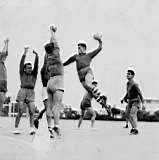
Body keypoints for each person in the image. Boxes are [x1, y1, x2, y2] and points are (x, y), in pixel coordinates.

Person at [63, 33, 106, 106]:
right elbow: (67, 62)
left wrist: (100, 41)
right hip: (81, 78)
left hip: (87, 72)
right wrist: (61, 65)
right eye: (78, 48)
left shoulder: (89, 55)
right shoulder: (76, 56)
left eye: (80, 47)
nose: (79, 49)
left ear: (84, 48)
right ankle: (103, 103)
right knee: (91, 92)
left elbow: (99, 48)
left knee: (88, 84)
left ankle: (100, 94)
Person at [13, 46, 39, 135]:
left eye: (30, 68)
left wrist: (36, 56)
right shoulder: (22, 73)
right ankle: (16, 128)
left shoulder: (34, 74)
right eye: (28, 68)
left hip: (31, 93)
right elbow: (21, 64)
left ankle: (31, 128)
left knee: (32, 110)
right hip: (22, 92)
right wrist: (25, 53)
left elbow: (36, 66)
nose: (30, 69)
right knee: (20, 110)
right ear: (24, 69)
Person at [44, 25, 64, 138]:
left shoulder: (48, 58)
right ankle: (56, 126)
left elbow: (52, 45)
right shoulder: (56, 54)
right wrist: (52, 32)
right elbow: (55, 42)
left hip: (50, 82)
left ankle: (49, 127)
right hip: (58, 81)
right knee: (57, 105)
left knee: (49, 106)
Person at [121, 69, 144, 135]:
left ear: (133, 75)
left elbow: (139, 93)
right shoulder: (128, 84)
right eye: (127, 74)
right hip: (130, 101)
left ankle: (135, 129)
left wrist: (142, 102)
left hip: (136, 101)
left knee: (132, 115)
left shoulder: (134, 84)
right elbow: (127, 92)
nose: (127, 75)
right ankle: (134, 129)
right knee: (127, 115)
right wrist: (124, 99)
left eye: (129, 74)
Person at [33, 54, 49, 130]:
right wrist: (46, 54)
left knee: (49, 108)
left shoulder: (52, 71)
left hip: (51, 91)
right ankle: (48, 127)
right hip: (45, 90)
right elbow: (45, 62)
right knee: (48, 108)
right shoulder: (43, 70)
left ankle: (37, 119)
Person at [0, 38, 9, 116]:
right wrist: (6, 43)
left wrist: (7, 44)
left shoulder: (2, 63)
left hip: (3, 82)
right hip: (1, 81)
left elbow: (5, 54)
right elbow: (4, 53)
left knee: (2, 99)